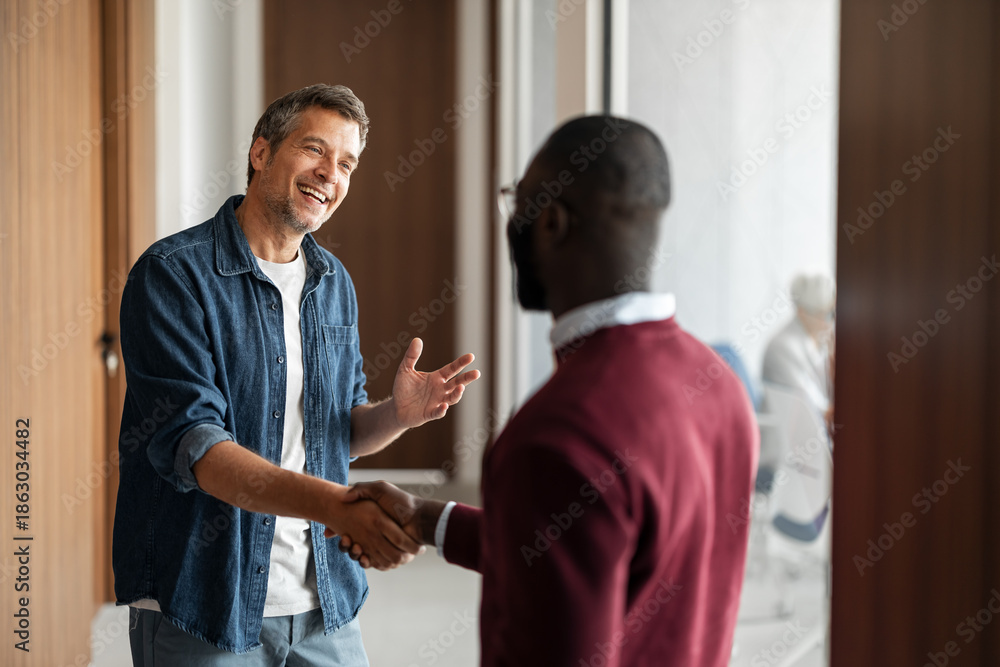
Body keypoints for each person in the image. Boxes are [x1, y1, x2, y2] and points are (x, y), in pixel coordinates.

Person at [341, 116, 759, 666]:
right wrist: (428, 520)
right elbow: (590, 547)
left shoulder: (557, 434)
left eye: (517, 201)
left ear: (553, 223)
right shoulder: (721, 387)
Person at [114, 84, 479, 665]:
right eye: (314, 150)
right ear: (261, 152)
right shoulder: (172, 276)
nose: (329, 174)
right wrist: (335, 505)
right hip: (206, 599)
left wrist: (396, 416)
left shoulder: (333, 282)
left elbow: (334, 434)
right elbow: (198, 448)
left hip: (322, 600)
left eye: (347, 163)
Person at [761, 273, 836, 426]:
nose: (831, 322)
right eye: (828, 315)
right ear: (802, 312)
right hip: (792, 439)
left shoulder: (818, 342)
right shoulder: (782, 348)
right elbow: (817, 409)